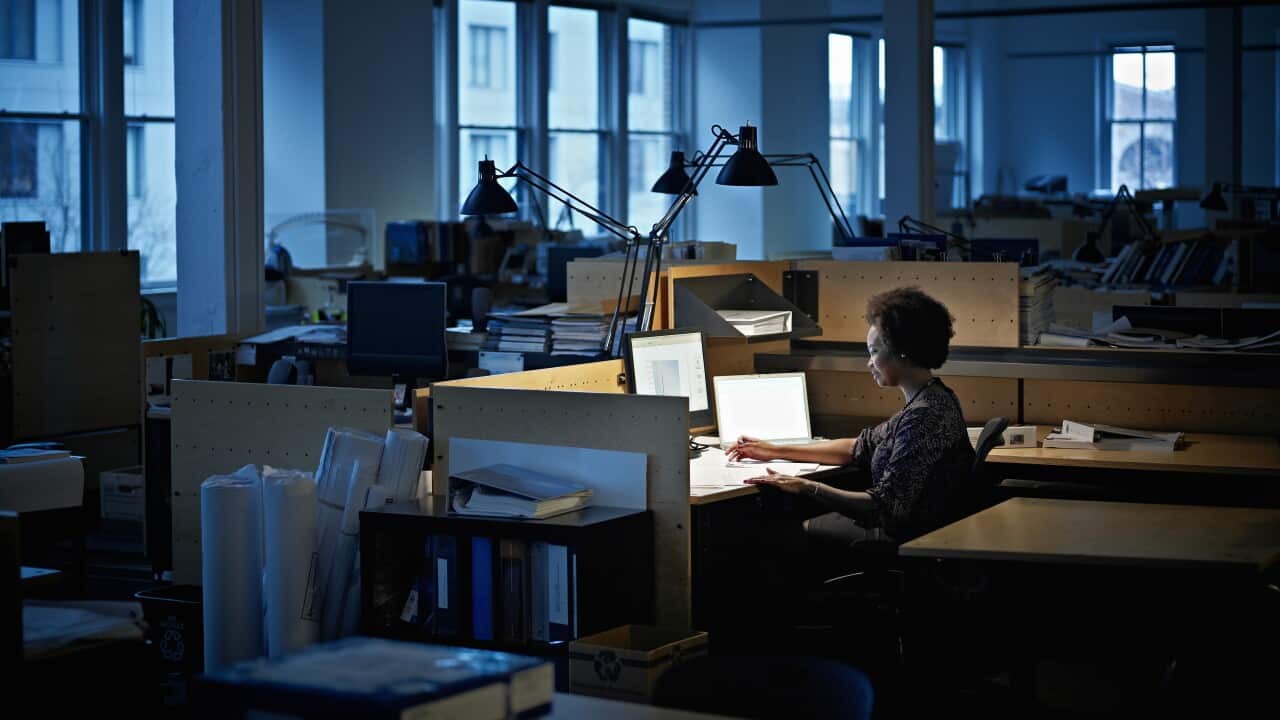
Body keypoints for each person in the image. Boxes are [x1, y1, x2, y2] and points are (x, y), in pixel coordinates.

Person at [728, 286, 976, 545]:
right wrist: (774, 450)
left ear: (902, 351)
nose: (869, 363)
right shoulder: (932, 397)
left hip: (903, 537)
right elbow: (858, 447)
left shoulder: (925, 417)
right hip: (909, 529)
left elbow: (881, 507)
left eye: (874, 352)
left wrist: (806, 486)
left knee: (771, 532)